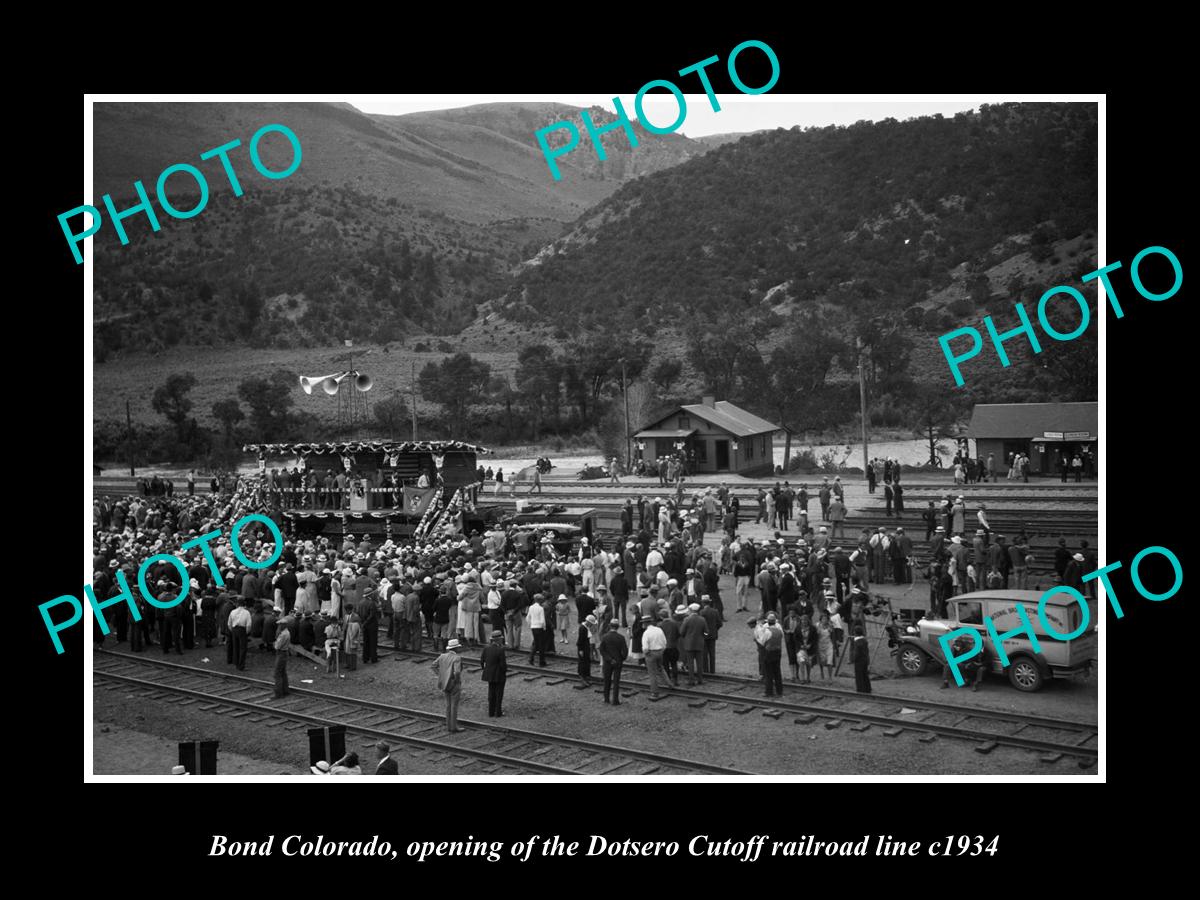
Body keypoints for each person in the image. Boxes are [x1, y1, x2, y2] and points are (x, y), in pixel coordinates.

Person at [432, 638, 465, 732]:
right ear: (456, 648)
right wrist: (457, 681)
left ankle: (448, 726)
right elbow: (457, 672)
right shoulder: (457, 658)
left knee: (448, 705)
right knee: (454, 706)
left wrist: (441, 675)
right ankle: (453, 727)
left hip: (444, 683)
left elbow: (433, 666)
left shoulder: (442, 656)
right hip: (453, 683)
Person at [599, 621, 628, 705]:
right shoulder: (621, 637)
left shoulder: (605, 637)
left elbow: (602, 650)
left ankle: (606, 698)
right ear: (618, 627)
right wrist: (621, 659)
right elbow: (625, 651)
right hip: (618, 661)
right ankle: (615, 700)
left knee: (607, 681)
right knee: (616, 681)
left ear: (610, 626)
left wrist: (609, 659)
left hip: (608, 662)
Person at [480, 630, 507, 717]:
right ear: (499, 639)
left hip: (489, 674)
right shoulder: (500, 650)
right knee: (499, 694)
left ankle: (491, 712)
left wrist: (485, 669)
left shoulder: (486, 648)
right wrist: (504, 671)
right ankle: (498, 712)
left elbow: (482, 661)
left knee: (491, 693)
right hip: (499, 674)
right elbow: (503, 664)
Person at [679, 602, 707, 686]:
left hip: (689, 644)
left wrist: (686, 637)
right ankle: (700, 679)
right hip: (699, 643)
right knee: (699, 662)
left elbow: (681, 632)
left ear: (691, 610)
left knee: (690, 663)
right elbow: (706, 632)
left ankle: (691, 680)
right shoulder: (702, 619)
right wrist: (703, 637)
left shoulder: (687, 620)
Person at [760, 613, 784, 697]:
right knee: (777, 672)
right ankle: (779, 691)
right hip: (778, 651)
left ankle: (769, 691)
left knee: (768, 673)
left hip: (769, 652)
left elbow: (762, 642)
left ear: (768, 622)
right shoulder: (779, 630)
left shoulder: (766, 631)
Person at [228, 600, 251, 671]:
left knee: (236, 647)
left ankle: (236, 663)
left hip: (234, 629)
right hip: (242, 630)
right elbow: (249, 624)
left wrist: (232, 630)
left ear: (237, 604)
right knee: (243, 648)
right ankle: (241, 665)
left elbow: (229, 623)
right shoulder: (247, 612)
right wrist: (246, 632)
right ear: (244, 605)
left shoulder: (232, 612)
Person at [527, 592, 548, 667]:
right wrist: (544, 627)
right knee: (541, 644)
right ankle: (542, 661)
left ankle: (531, 658)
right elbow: (542, 620)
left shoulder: (531, 607)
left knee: (535, 643)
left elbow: (528, 618)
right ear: (540, 600)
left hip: (533, 627)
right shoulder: (540, 608)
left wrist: (530, 624)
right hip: (540, 627)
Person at [273, 620, 291, 698]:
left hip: (281, 653)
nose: (278, 627)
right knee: (283, 672)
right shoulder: (287, 632)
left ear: (283, 625)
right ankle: (285, 690)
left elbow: (277, 646)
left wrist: (275, 643)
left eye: (279, 625)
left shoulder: (283, 634)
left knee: (277, 673)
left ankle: (278, 693)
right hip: (285, 653)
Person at [850, 625, 871, 693]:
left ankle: (860, 689)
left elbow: (856, 653)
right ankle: (867, 688)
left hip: (859, 661)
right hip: (865, 660)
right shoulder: (864, 640)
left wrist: (853, 659)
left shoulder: (857, 642)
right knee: (865, 675)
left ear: (855, 633)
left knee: (859, 676)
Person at [577, 614, 595, 687]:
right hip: (583, 648)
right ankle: (582, 678)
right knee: (582, 663)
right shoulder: (582, 628)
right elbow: (580, 640)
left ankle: (585, 678)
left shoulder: (585, 627)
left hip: (586, 647)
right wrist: (580, 650)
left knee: (586, 663)